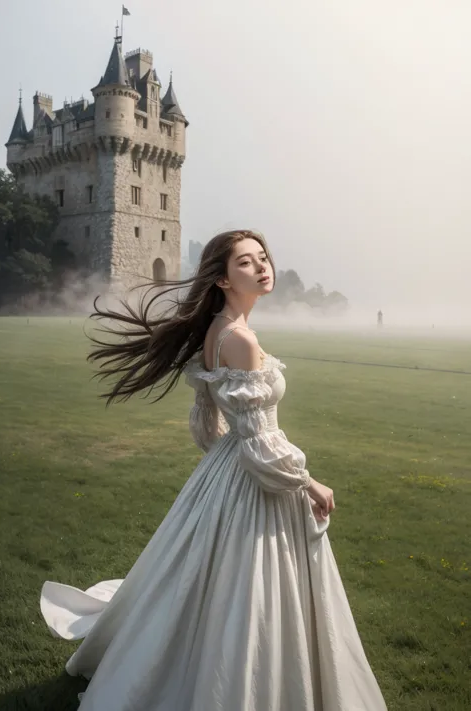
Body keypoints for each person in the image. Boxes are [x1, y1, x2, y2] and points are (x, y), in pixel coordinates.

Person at [40, 230, 388, 710]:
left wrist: (222, 463)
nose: (262, 266)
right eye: (246, 262)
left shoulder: (218, 331)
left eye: (263, 257)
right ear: (223, 279)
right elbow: (259, 440)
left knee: (206, 582)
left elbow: (208, 421)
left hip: (230, 468)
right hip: (250, 471)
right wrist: (308, 482)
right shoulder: (238, 339)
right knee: (248, 593)